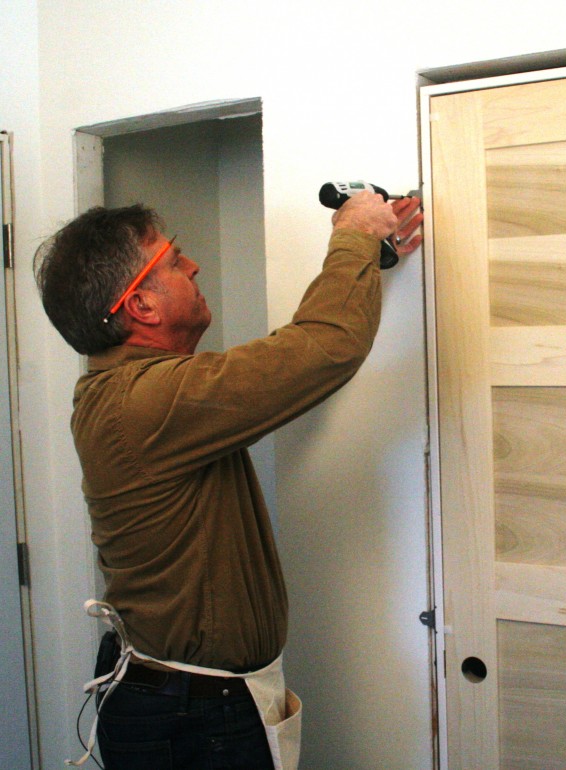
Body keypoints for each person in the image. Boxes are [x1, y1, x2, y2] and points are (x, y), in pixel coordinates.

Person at [34, 191, 423, 769]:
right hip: (192, 716)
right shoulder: (145, 401)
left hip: (190, 704)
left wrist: (368, 256)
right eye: (173, 260)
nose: (192, 266)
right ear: (141, 304)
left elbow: (307, 349)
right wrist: (355, 235)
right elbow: (324, 346)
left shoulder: (137, 393)